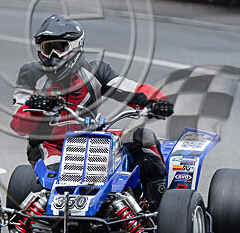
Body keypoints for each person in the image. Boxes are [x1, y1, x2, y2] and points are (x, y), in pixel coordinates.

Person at [10, 13, 174, 207]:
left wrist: (157, 102)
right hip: (51, 145)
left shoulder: (96, 72)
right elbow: (18, 125)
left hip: (95, 140)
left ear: (76, 47)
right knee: (58, 183)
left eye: (59, 48)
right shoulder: (30, 75)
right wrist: (35, 107)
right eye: (47, 49)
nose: (52, 56)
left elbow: (133, 90)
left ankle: (160, 208)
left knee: (144, 138)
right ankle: (51, 214)